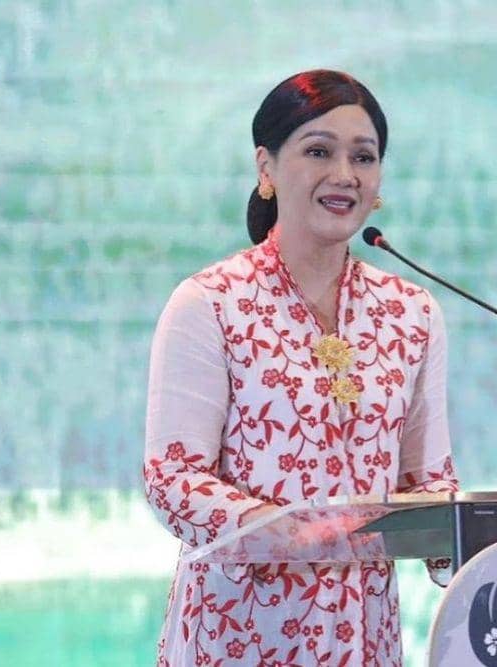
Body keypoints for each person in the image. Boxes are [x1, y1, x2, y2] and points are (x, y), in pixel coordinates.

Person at [143, 69, 459, 666]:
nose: (345, 174)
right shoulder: (212, 302)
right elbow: (172, 477)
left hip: (365, 638)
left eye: (363, 157)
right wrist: (290, 531)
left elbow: (430, 481)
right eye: (319, 152)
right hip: (239, 634)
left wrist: (478, 544)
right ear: (266, 167)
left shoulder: (411, 312)